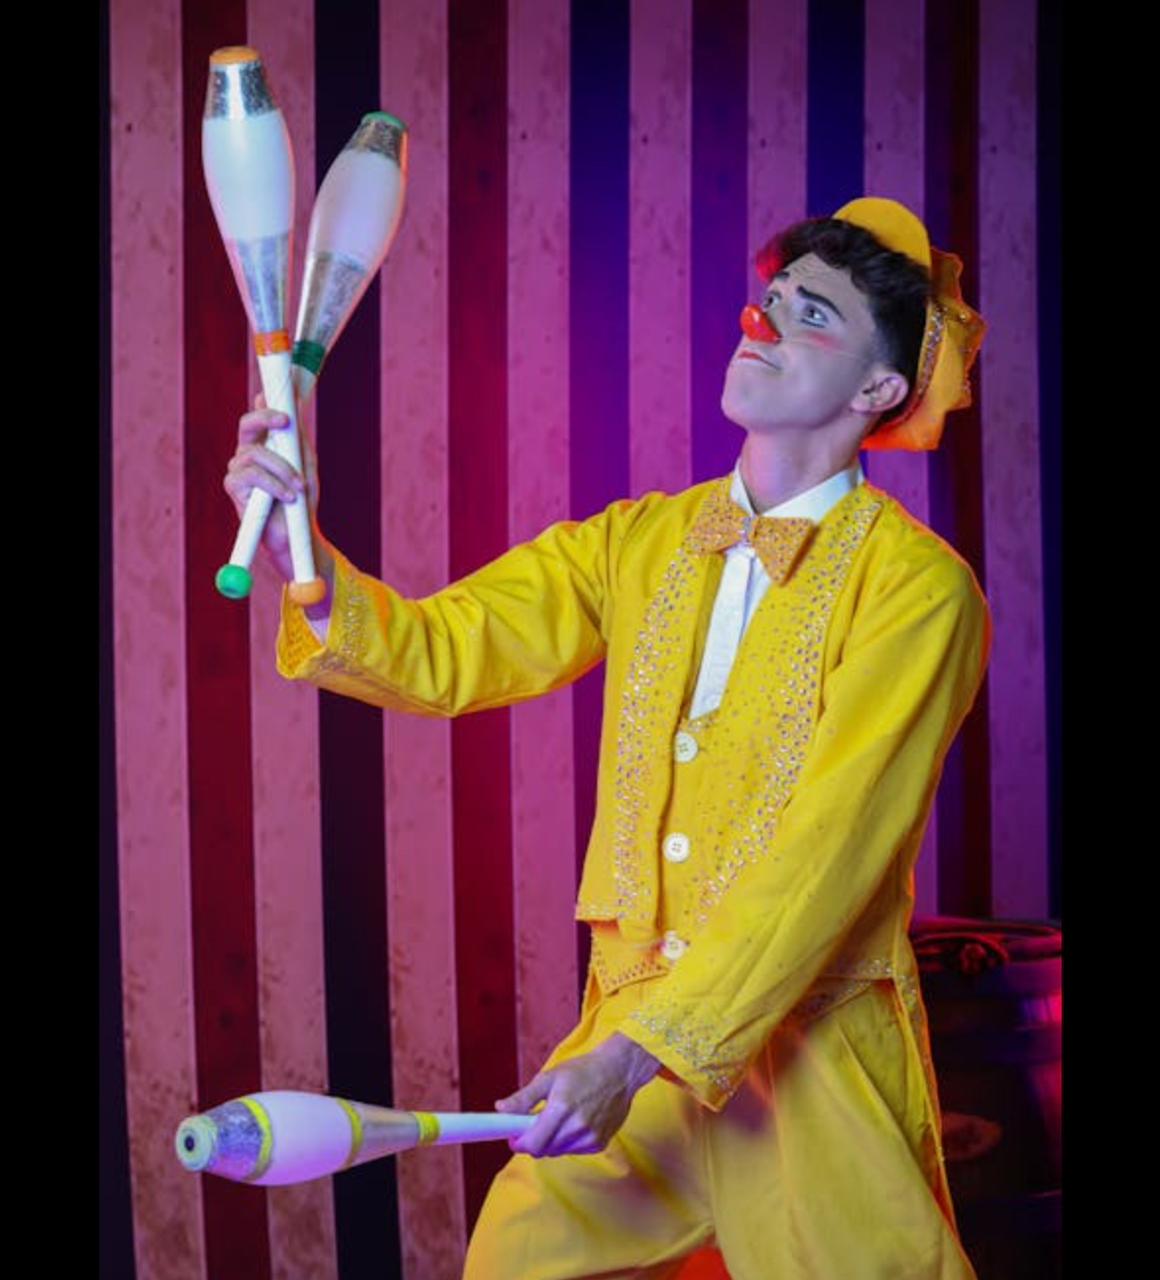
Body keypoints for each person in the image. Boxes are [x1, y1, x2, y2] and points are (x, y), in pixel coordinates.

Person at [225, 197, 990, 1279]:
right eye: (770, 298)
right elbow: (441, 651)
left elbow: (828, 853)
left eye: (810, 314)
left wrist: (637, 1055)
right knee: (514, 1261)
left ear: (878, 389)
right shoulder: (637, 541)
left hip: (810, 1055)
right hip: (632, 1030)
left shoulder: (920, 592)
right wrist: (298, 546)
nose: (761, 322)